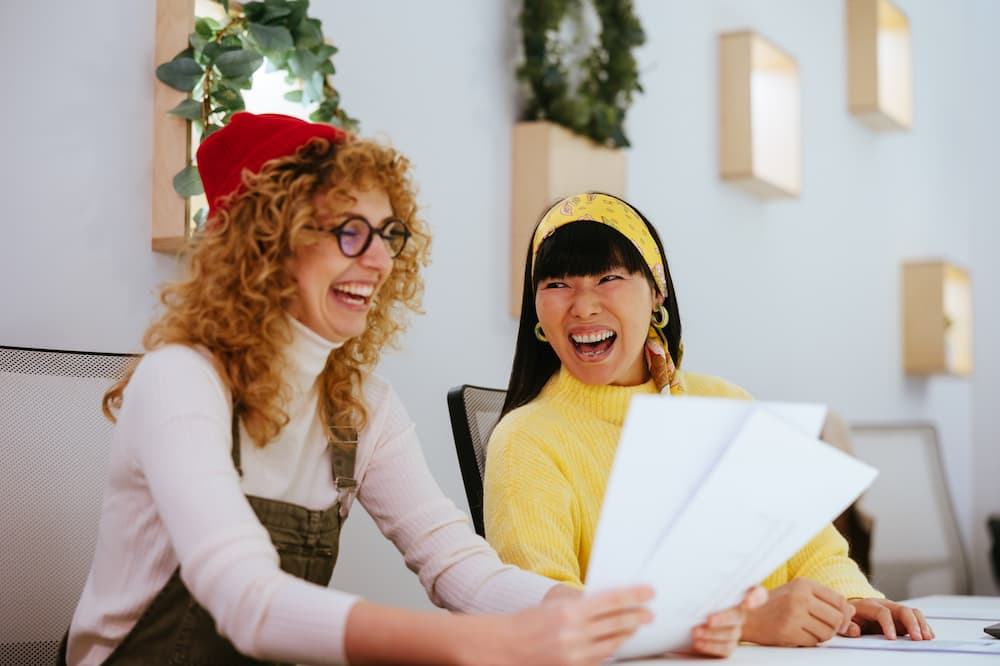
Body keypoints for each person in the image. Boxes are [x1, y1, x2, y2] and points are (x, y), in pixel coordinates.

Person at [62, 114, 756, 665]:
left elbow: (462, 572)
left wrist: (640, 626)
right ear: (263, 244)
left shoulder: (361, 407)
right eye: (348, 231)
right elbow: (249, 602)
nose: (382, 258)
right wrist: (478, 646)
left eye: (387, 233)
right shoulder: (181, 379)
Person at [484, 192, 935, 648]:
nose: (582, 306)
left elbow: (814, 550)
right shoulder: (525, 440)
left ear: (656, 292)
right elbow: (546, 623)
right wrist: (745, 624)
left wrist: (852, 600)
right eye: (557, 285)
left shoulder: (727, 402)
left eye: (608, 277)